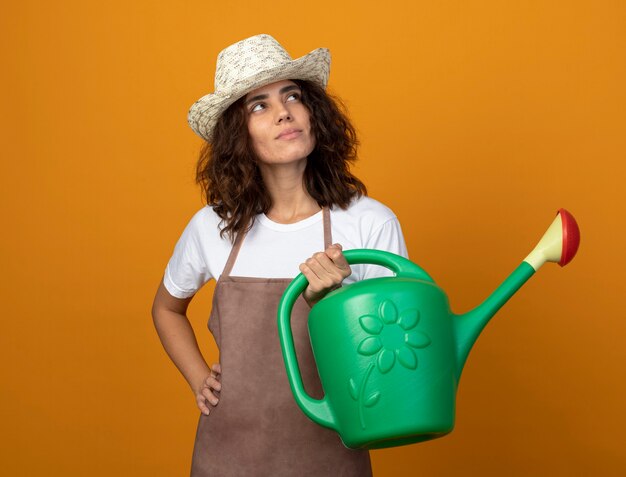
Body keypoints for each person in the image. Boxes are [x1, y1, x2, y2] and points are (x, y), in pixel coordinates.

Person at [152, 34, 408, 476]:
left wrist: (337, 305)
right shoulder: (211, 228)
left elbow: (395, 361)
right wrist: (199, 377)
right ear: (239, 135)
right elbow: (166, 309)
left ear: (314, 114)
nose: (284, 112)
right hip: (226, 456)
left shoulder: (369, 223)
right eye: (259, 105)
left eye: (292, 96)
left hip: (331, 454)